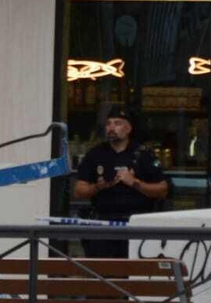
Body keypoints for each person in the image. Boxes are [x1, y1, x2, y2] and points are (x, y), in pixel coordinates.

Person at [71, 105, 168, 259]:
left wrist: (134, 182)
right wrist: (98, 187)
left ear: (128, 128)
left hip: (136, 225)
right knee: (103, 270)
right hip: (103, 226)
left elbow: (162, 190)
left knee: (134, 271)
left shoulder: (143, 154)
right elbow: (78, 190)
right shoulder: (95, 154)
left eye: (117, 123)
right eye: (108, 124)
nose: (111, 128)